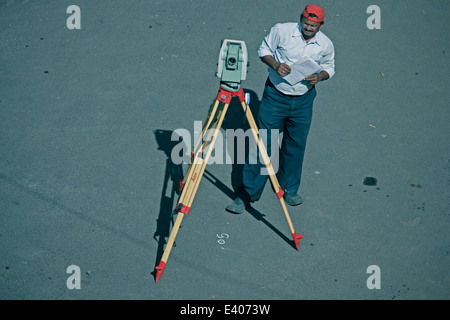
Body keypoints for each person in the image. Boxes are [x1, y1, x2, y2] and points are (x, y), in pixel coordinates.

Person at [226, 4, 335, 214]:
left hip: (303, 100)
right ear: (301, 19)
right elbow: (263, 50)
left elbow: (330, 67)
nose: (308, 28)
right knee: (262, 145)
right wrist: (276, 65)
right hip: (275, 97)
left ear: (321, 25)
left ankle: (289, 189)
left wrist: (319, 77)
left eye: (313, 25)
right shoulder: (282, 31)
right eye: (306, 23)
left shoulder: (326, 45)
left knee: (295, 145)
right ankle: (247, 193)